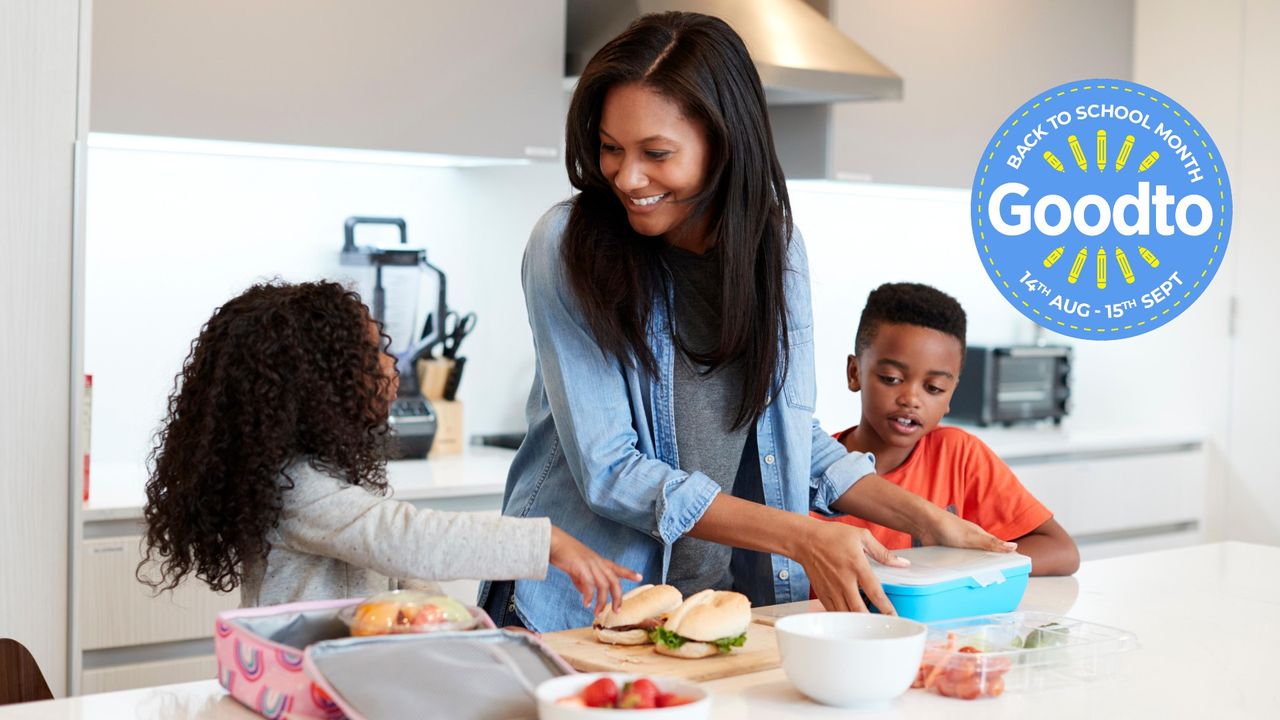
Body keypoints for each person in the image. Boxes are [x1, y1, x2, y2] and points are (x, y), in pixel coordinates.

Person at [481, 11, 1012, 633]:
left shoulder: (774, 250)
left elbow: (789, 434)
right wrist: (799, 537)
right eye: (609, 148)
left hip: (711, 611)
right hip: (575, 608)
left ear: (724, 142)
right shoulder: (566, 244)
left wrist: (927, 519)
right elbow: (611, 473)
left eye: (657, 153)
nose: (627, 177)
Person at [138, 280, 639, 610]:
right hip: (302, 689)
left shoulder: (321, 473)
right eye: (374, 350)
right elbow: (404, 540)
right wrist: (546, 540)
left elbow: (392, 567)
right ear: (320, 382)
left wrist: (461, 624)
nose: (392, 362)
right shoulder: (295, 489)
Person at [815, 282, 1080, 575]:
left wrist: (949, 573)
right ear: (855, 373)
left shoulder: (960, 456)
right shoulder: (811, 474)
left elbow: (1061, 550)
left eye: (934, 387)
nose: (911, 399)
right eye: (891, 378)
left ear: (951, 394)